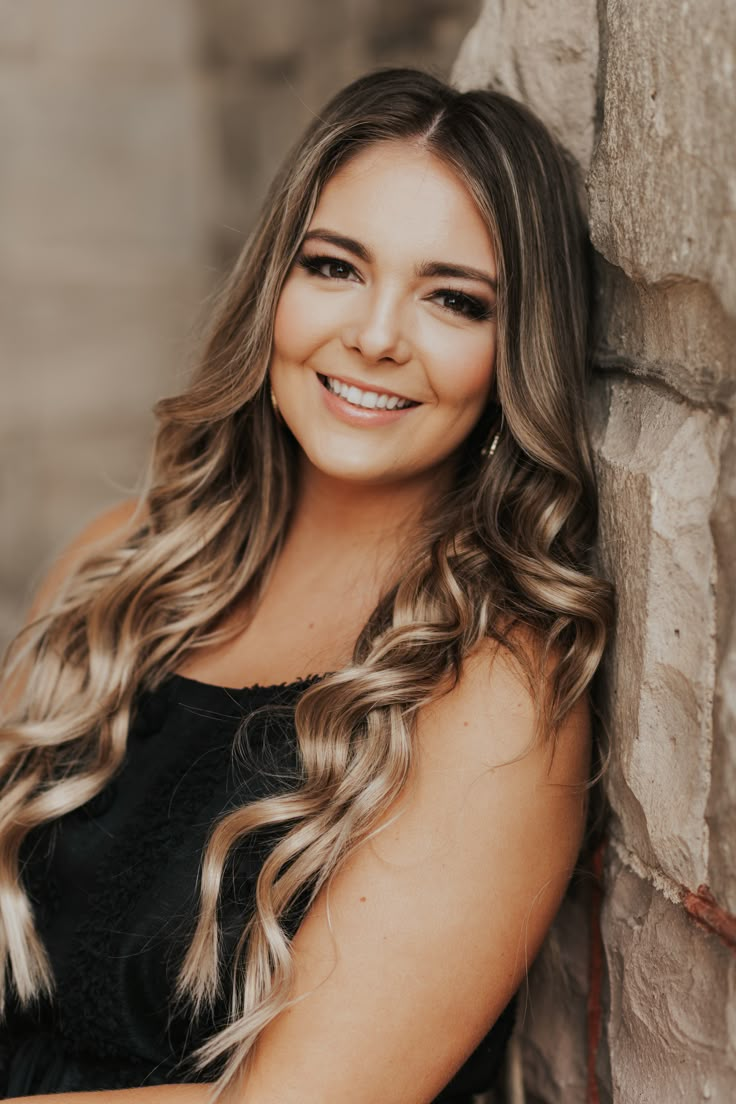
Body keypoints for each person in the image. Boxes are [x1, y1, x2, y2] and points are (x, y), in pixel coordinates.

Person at [0, 68, 613, 1103]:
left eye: (453, 299)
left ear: (515, 352)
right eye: (334, 267)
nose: (375, 335)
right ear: (272, 284)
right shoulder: (116, 562)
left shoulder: (495, 689)